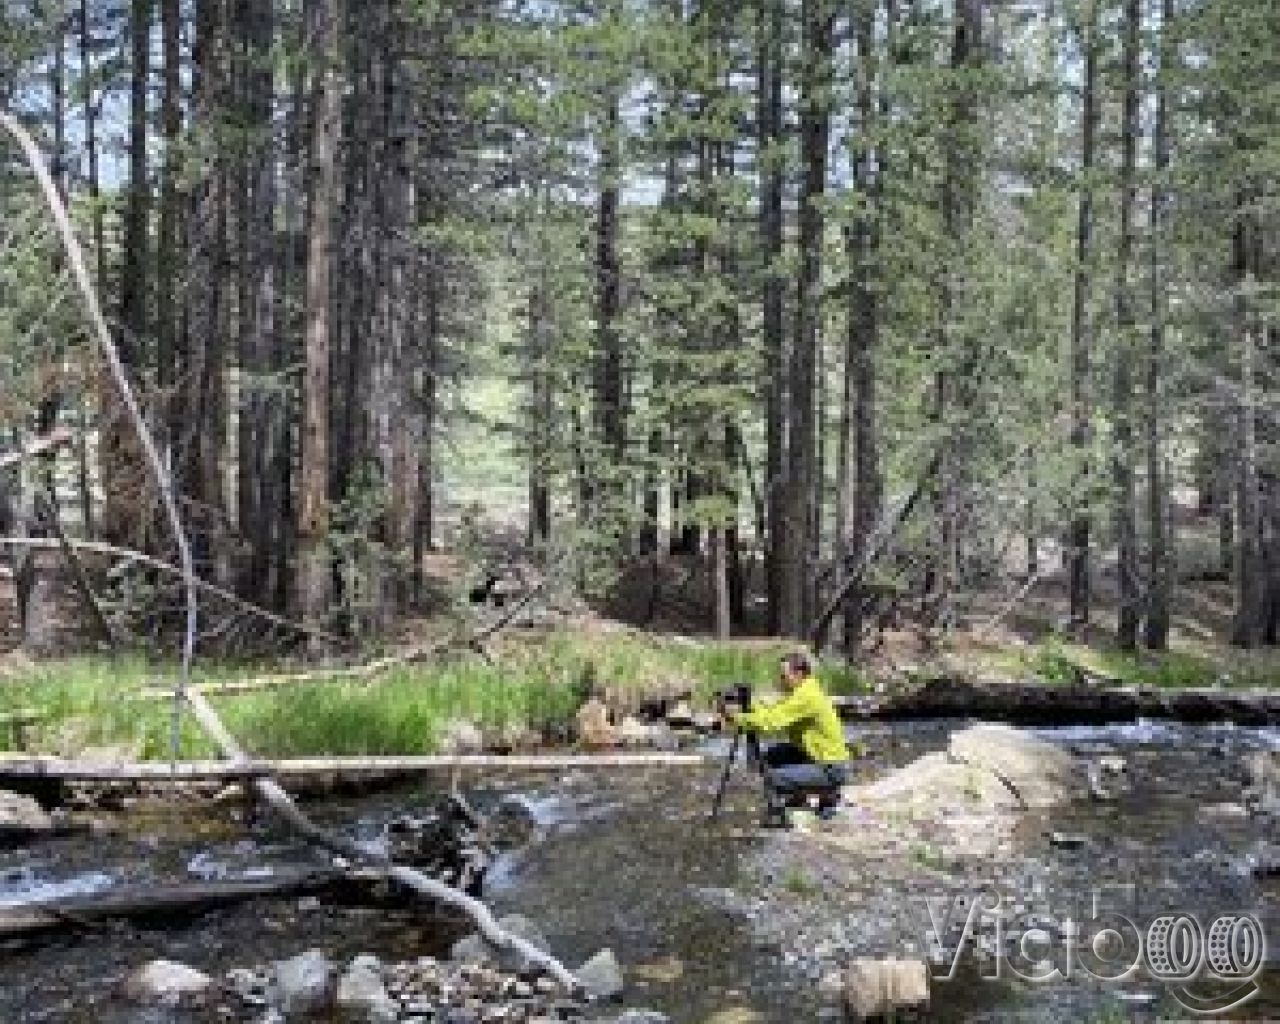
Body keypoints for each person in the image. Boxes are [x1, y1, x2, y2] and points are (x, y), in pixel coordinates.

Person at [729, 651, 851, 827]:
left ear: (799, 674)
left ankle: (820, 796)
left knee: (772, 778)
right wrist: (749, 707)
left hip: (830, 767)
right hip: (814, 756)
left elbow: (771, 723)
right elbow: (774, 711)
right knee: (765, 759)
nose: (780, 680)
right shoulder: (802, 690)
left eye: (783, 676)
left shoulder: (807, 696)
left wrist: (737, 718)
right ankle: (803, 798)